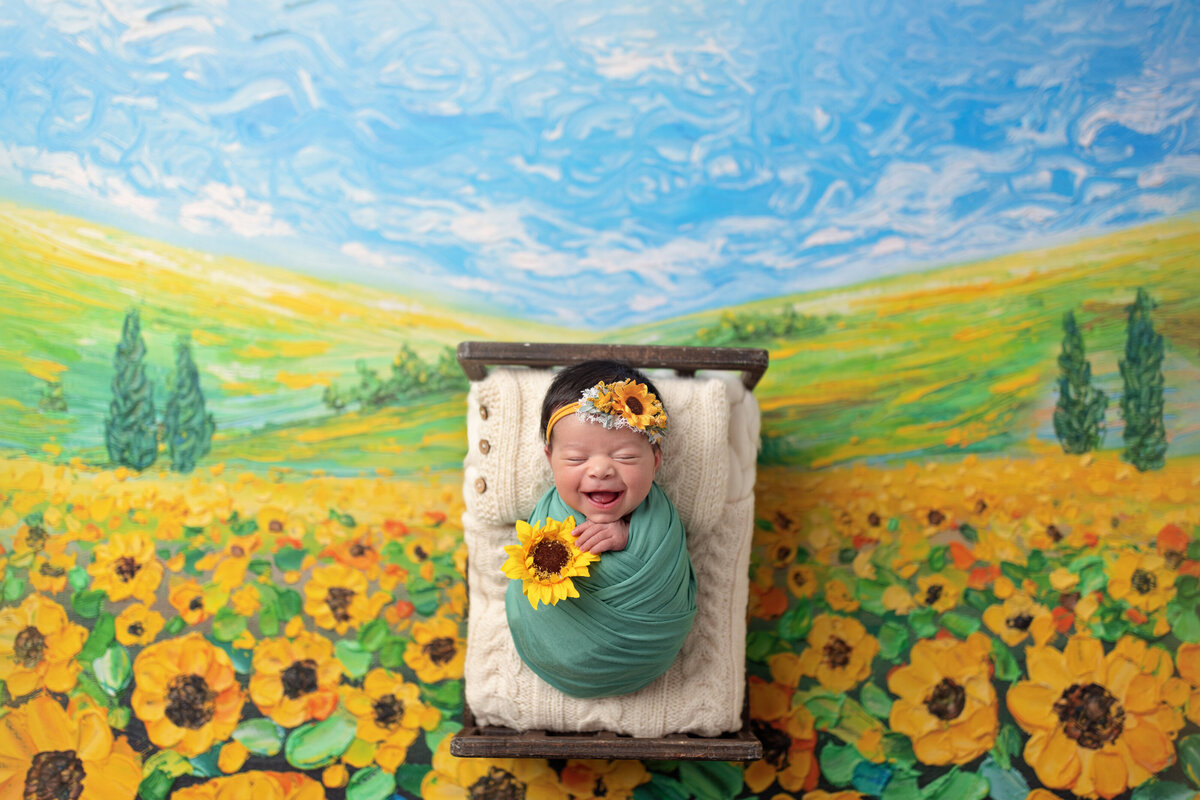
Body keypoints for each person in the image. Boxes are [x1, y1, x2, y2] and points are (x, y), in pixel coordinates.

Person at [504, 360, 698, 698]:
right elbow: (528, 585)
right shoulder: (548, 513)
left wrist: (630, 539)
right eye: (577, 459)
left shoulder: (659, 517)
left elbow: (667, 558)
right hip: (555, 649)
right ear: (550, 459)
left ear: (655, 460)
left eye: (624, 456)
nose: (600, 471)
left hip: (644, 651)